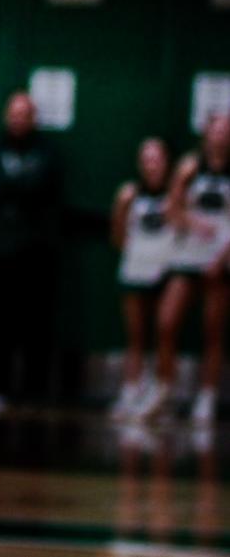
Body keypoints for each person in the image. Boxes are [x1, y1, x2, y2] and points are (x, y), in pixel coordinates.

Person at [0, 91, 61, 408]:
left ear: (34, 118)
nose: (19, 119)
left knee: (36, 325)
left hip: (36, 252)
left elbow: (48, 195)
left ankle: (34, 391)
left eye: (25, 113)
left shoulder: (48, 153)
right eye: (14, 112)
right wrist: (21, 189)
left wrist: (13, 191)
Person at [151, 112, 230, 424]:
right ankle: (165, 391)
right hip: (189, 254)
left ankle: (206, 397)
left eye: (227, 128)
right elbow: (171, 209)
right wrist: (193, 222)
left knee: (213, 329)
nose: (222, 133)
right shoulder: (190, 165)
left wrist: (221, 257)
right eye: (218, 127)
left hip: (221, 257)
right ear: (206, 131)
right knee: (166, 322)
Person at [111, 136, 173, 418]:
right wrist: (119, 209)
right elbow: (118, 238)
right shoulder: (130, 194)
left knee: (164, 331)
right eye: (146, 159)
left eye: (157, 159)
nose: (152, 165)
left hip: (165, 272)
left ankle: (160, 392)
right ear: (139, 164)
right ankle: (131, 390)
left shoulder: (176, 195)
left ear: (166, 162)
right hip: (135, 270)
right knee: (135, 337)